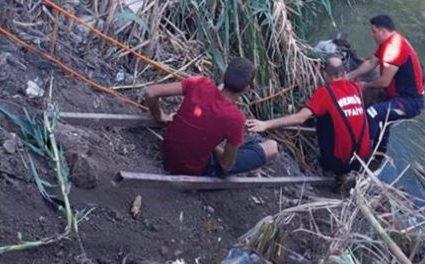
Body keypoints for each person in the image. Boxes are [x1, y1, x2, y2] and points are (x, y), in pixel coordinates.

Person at [144, 57, 278, 177]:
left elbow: (151, 92)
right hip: (190, 169)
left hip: (167, 154)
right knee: (272, 147)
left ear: (225, 75)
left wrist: (160, 116)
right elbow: (226, 165)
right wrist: (214, 147)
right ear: (246, 89)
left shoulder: (200, 83)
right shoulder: (236, 118)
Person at [247, 56, 373, 179]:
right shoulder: (356, 88)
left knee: (322, 117)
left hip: (341, 164)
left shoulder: (325, 93)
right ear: (344, 73)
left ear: (325, 75)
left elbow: (301, 118)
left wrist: (265, 124)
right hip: (361, 160)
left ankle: (328, 166)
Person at [347, 14, 425, 154]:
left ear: (383, 32)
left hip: (409, 102)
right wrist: (349, 76)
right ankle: (378, 154)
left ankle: (362, 154)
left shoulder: (393, 49)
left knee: (372, 113)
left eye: (374, 31)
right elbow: (371, 63)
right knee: (383, 121)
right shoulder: (389, 42)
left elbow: (384, 81)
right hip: (396, 96)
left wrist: (365, 85)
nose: (372, 35)